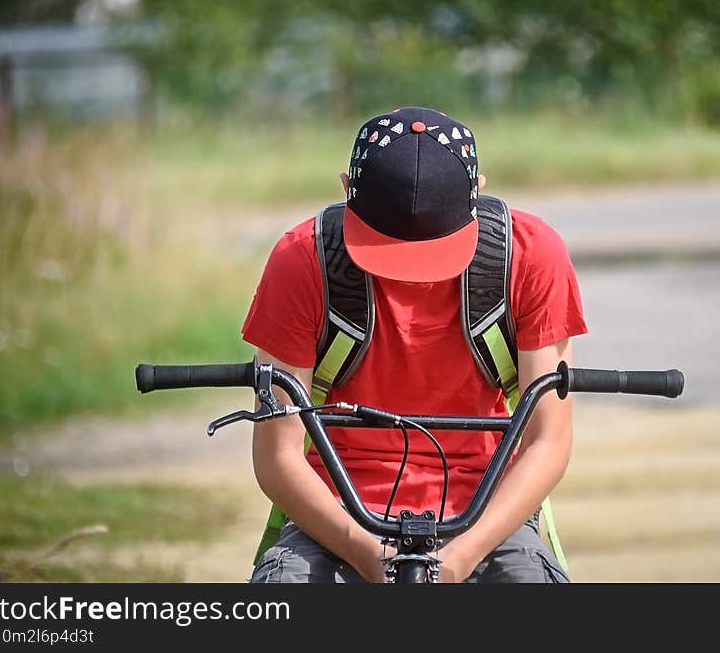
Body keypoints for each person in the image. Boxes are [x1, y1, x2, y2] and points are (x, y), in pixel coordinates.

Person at [242, 106, 587, 583]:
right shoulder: (303, 260)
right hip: (338, 511)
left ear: (479, 193)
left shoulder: (528, 255)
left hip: (487, 513)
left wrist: (464, 555)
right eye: (387, 243)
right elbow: (277, 456)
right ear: (345, 191)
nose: (410, 269)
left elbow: (548, 439)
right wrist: (364, 550)